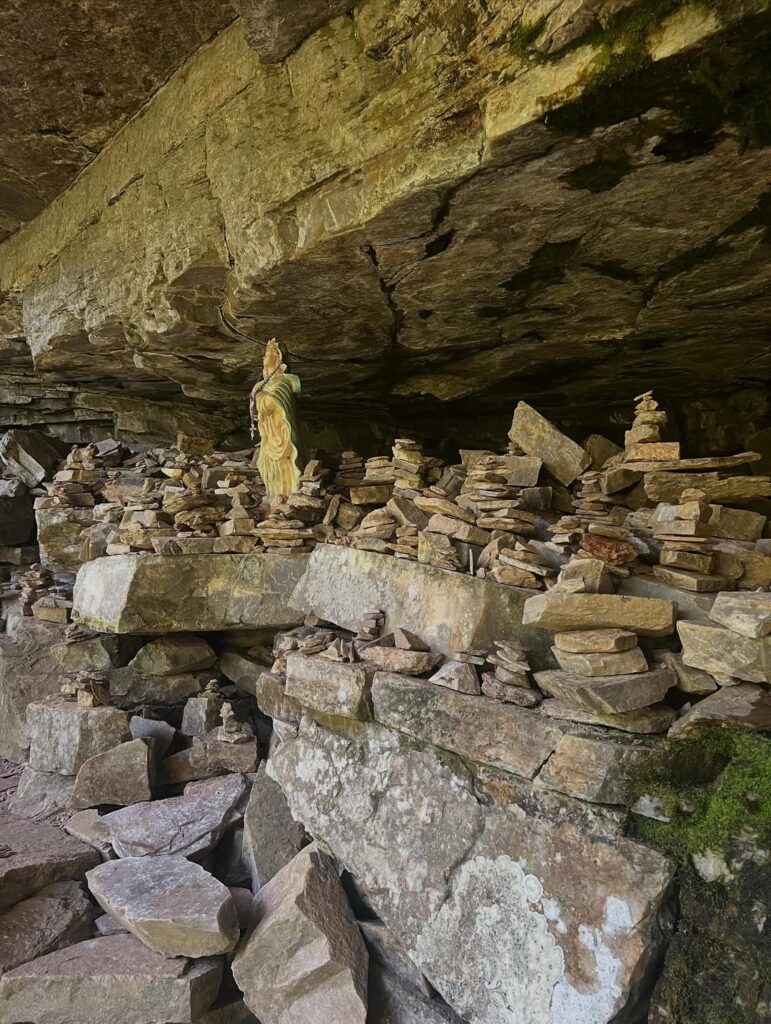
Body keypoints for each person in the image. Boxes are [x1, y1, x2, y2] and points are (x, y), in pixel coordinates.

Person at [249, 339, 306, 500]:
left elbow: (276, 402)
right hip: (269, 434)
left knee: (286, 465)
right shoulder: (264, 384)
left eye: (266, 355)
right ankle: (275, 497)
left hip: (281, 433)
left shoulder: (283, 382)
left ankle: (290, 496)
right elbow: (256, 407)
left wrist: (259, 397)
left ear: (277, 358)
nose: (263, 358)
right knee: (268, 467)